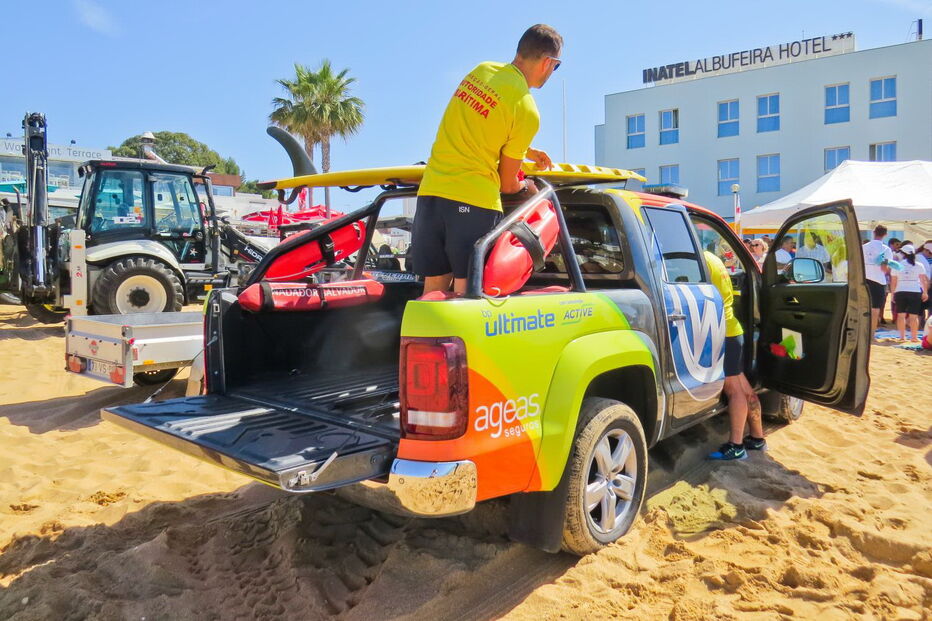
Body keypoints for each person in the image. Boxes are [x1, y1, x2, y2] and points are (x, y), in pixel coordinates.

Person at [411, 24, 561, 294]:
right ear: (547, 62)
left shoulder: (481, 72)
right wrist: (527, 188)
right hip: (473, 200)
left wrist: (527, 151)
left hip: (430, 195)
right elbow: (507, 184)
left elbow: (480, 124)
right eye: (556, 66)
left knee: (432, 291)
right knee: (465, 294)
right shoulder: (526, 108)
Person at [705, 251, 765, 461]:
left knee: (734, 390)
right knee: (744, 387)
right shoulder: (713, 258)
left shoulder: (700, 260)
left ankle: (736, 445)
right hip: (732, 329)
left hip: (723, 332)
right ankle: (757, 437)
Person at [890, 244, 929, 342]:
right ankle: (914, 337)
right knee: (914, 316)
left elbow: (893, 281)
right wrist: (925, 292)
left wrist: (893, 294)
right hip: (915, 291)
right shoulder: (919, 265)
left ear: (903, 254)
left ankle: (902, 337)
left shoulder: (897, 265)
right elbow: (923, 280)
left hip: (900, 291)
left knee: (901, 315)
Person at [862, 225, 893, 338]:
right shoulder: (886, 249)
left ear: (874, 232)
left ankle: (862, 332)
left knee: (863, 308)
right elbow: (884, 268)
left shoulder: (863, 247)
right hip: (878, 281)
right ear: (885, 234)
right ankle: (871, 334)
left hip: (864, 279)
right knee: (875, 309)